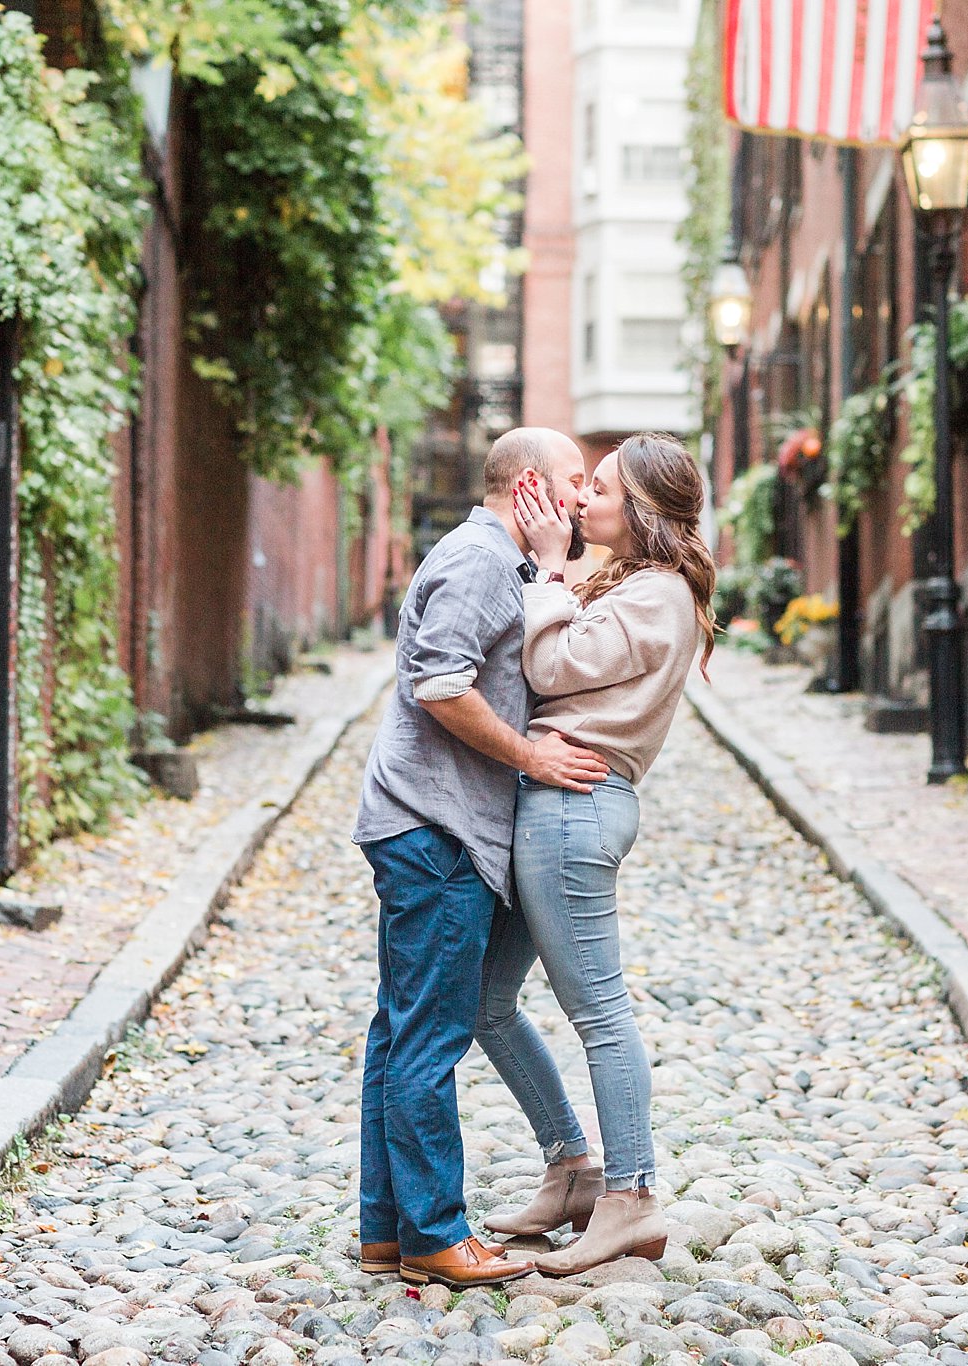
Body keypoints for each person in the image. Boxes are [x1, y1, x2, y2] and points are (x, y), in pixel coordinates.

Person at [351, 427, 611, 1289]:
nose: (581, 498)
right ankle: (433, 1232)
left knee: (401, 1030)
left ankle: (387, 1229)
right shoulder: (477, 560)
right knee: (429, 1035)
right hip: (437, 829)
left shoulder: (507, 561)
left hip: (428, 824)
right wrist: (533, 758)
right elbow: (438, 684)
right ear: (532, 485)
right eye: (574, 481)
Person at [473, 432, 717, 1275]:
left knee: (600, 1014)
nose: (583, 501)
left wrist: (546, 565)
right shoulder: (635, 586)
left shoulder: (658, 596)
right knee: (483, 1000)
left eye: (600, 488)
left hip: (574, 810)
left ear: (643, 505)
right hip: (552, 807)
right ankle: (576, 1169)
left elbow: (551, 664)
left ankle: (632, 1197)